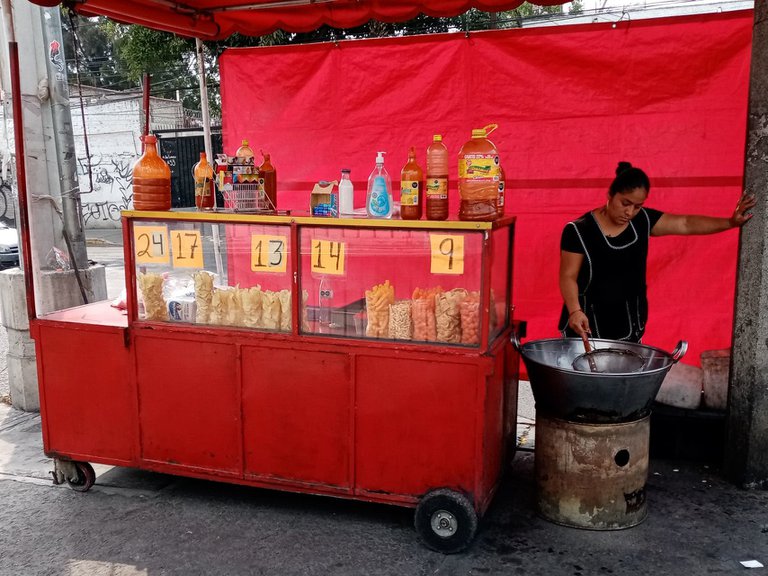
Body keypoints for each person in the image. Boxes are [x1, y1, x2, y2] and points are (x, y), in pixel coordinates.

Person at [559, 161, 756, 342]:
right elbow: (568, 276)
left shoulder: (642, 220)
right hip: (587, 323)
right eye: (625, 204)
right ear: (610, 195)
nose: (630, 212)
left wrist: (730, 222)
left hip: (630, 323)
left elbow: (685, 224)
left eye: (637, 206)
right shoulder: (578, 230)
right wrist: (575, 311)